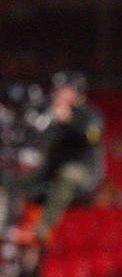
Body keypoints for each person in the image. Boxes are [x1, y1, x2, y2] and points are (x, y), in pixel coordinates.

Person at [17, 72, 105, 243]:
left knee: (69, 173)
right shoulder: (47, 113)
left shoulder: (88, 114)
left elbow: (93, 136)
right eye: (57, 89)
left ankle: (42, 228)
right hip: (49, 172)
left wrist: (69, 119)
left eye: (64, 90)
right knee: (15, 174)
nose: (58, 93)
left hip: (84, 173)